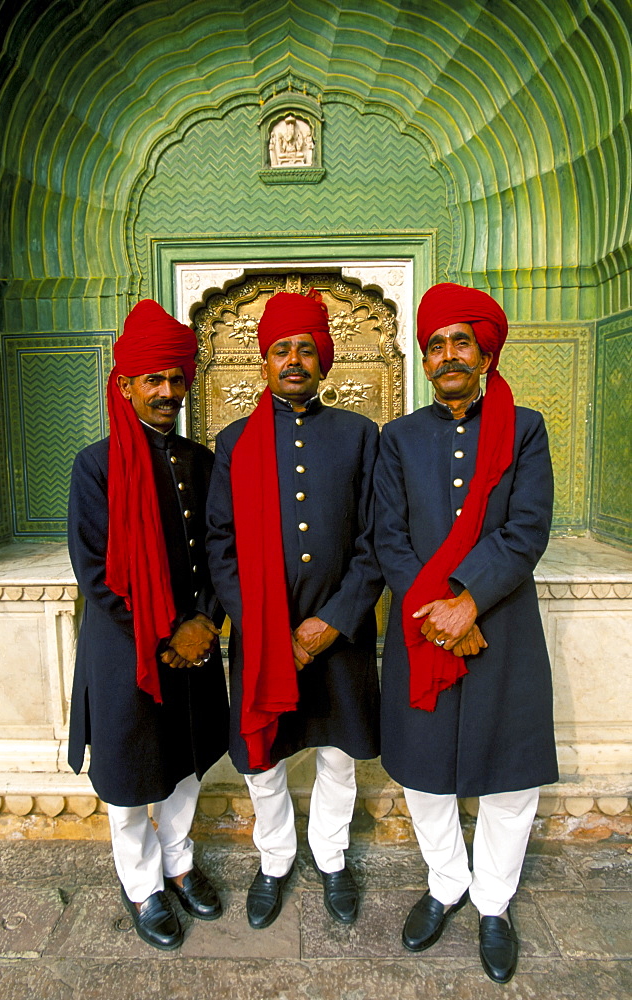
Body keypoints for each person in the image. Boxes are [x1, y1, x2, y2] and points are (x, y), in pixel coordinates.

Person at [374, 283, 558, 984]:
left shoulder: (526, 428)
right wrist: (438, 613)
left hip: (501, 625)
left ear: (484, 351)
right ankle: (447, 881)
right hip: (424, 629)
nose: (448, 354)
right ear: (424, 359)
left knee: (509, 778)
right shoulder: (399, 438)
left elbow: (527, 527)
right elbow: (387, 537)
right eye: (435, 345)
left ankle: (492, 903)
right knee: (424, 772)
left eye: (460, 341)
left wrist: (470, 602)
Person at [206, 289, 382, 930]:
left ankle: (331, 857)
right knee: (266, 756)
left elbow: (376, 539)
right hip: (264, 634)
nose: (294, 360)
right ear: (265, 361)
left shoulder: (362, 435)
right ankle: (275, 860)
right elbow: (220, 545)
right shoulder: (234, 442)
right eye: (282, 349)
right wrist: (267, 630)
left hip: (341, 633)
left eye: (307, 348)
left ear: (324, 360)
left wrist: (333, 622)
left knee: (337, 754)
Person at [68, 299, 229, 951]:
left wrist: (206, 624)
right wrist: (166, 633)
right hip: (126, 647)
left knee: (186, 762)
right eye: (153, 380)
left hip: (194, 642)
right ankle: (142, 885)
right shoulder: (96, 465)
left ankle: (180, 863)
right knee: (131, 772)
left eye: (176, 378)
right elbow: (95, 570)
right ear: (127, 384)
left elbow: (223, 551)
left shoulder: (202, 461)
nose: (167, 392)